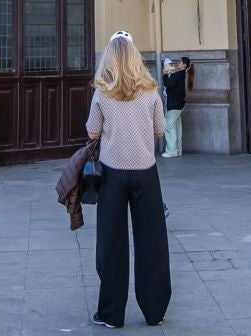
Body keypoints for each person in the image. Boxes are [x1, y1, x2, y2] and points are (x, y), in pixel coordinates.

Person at [85, 31, 170, 330]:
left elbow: (92, 132)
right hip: (146, 172)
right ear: (135, 57)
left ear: (108, 57)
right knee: (152, 242)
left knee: (111, 243)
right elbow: (161, 130)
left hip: (111, 173)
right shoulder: (150, 90)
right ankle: (155, 310)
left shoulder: (102, 92)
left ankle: (111, 314)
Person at [160, 57, 187, 158]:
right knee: (177, 127)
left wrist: (165, 74)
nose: (177, 63)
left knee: (168, 126)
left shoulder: (178, 74)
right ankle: (178, 149)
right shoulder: (181, 74)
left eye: (180, 62)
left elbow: (168, 84)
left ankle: (171, 151)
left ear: (184, 65)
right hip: (179, 104)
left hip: (174, 105)